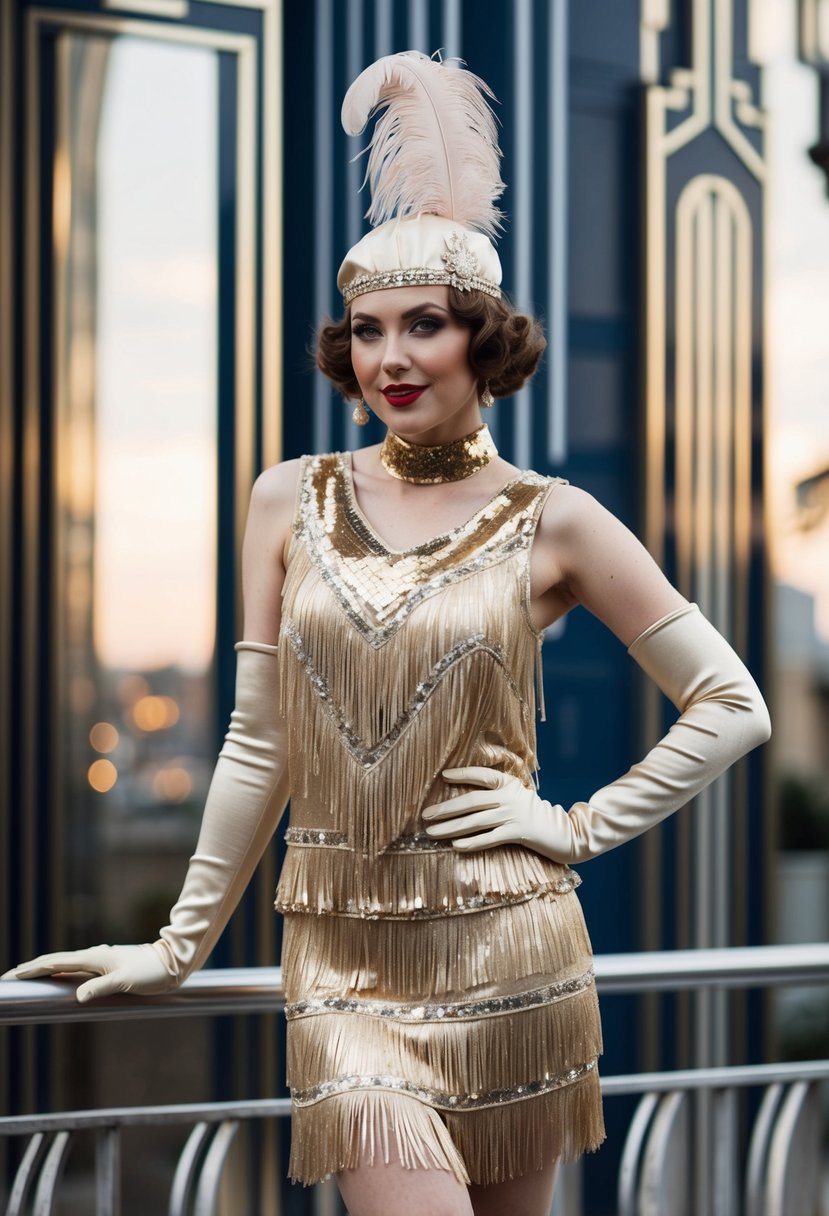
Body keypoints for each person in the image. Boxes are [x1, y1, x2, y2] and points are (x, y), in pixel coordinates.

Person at [2, 51, 770, 1216]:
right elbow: (260, 746)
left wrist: (571, 825)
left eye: (426, 326)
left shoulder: (553, 518)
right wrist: (176, 944)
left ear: (483, 339)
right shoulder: (286, 497)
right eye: (368, 331)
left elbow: (733, 703)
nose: (393, 357)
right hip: (343, 966)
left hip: (516, 950)